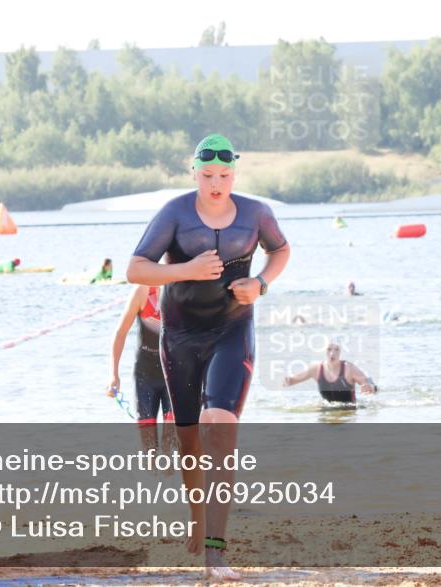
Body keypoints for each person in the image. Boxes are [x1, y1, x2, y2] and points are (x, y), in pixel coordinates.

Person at [126, 133, 290, 581]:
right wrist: (185, 270)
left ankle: (216, 552)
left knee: (219, 425)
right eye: (207, 175)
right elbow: (135, 268)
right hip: (179, 337)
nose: (216, 184)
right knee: (190, 443)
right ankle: (198, 518)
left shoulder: (257, 213)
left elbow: (281, 250)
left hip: (232, 329)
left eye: (224, 175)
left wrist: (261, 284)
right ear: (193, 172)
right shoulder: (175, 213)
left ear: (234, 174)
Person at [107, 284, 174, 458]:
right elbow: (120, 333)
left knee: (170, 446)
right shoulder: (142, 291)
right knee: (149, 449)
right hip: (146, 376)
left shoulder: (181, 289)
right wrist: (114, 374)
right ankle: (150, 482)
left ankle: (171, 481)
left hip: (173, 375)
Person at [283, 340, 377, 404]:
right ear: (323, 351)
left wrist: (370, 388)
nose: (332, 353)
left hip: (348, 413)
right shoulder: (316, 369)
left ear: (341, 352)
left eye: (336, 349)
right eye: (329, 349)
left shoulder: (349, 368)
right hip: (326, 414)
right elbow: (293, 380)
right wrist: (287, 380)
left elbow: (369, 384)